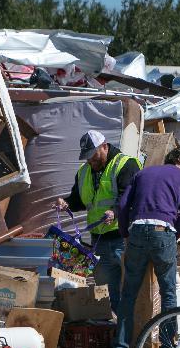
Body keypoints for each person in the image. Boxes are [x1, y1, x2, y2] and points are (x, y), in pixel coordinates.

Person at [114, 147, 180, 348]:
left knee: (128, 293)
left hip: (137, 231)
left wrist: (125, 232)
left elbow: (123, 205)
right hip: (164, 232)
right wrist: (173, 235)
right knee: (168, 292)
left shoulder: (142, 173)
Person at [55, 130, 140, 313]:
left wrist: (116, 212)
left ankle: (130, 334)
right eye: (87, 157)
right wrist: (66, 203)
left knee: (129, 289)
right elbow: (79, 199)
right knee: (105, 293)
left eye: (93, 155)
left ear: (104, 146)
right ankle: (111, 327)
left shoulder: (126, 164)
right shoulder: (84, 171)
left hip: (123, 238)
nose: (90, 161)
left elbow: (132, 196)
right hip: (99, 241)